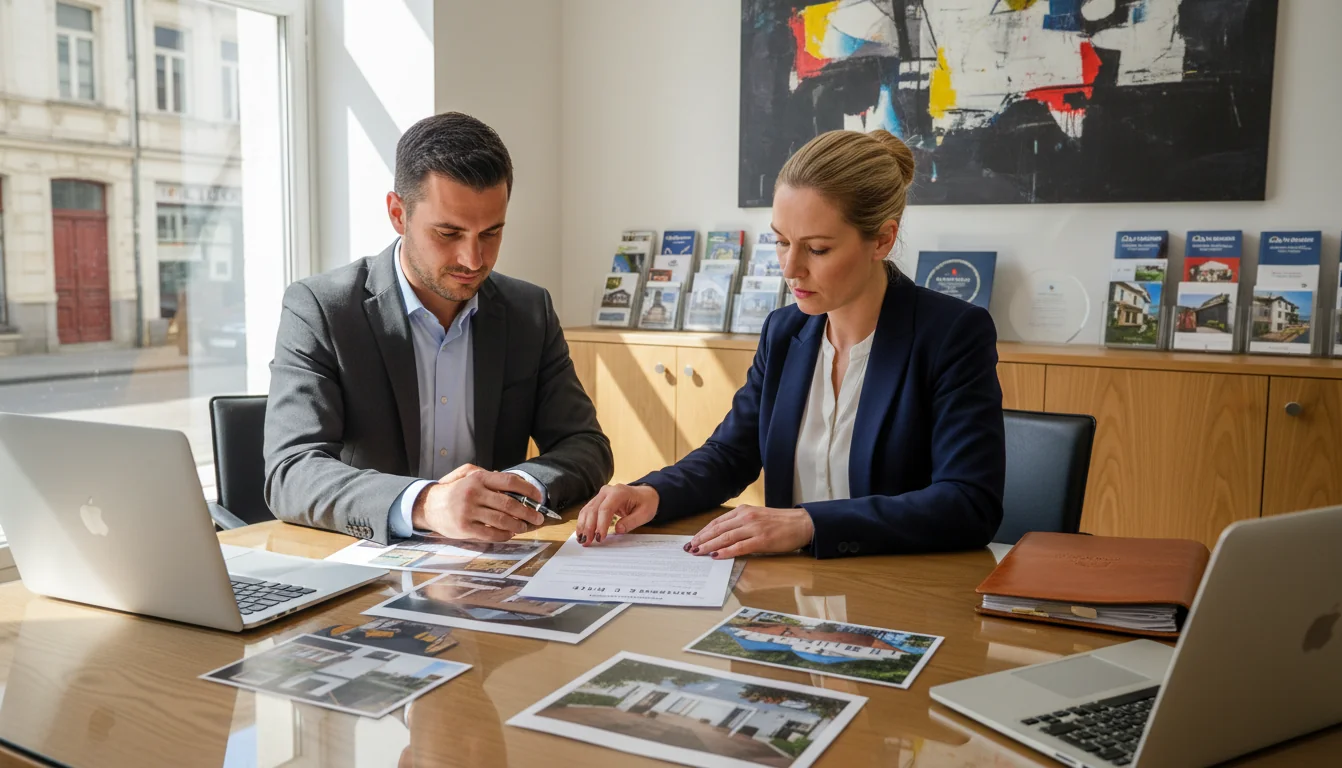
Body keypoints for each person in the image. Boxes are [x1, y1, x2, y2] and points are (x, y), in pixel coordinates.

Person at [576, 129, 1004, 558]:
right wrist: (652, 492)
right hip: (790, 584)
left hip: (897, 583)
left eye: (817, 249)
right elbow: (730, 454)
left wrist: (809, 523)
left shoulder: (952, 334)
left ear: (882, 240)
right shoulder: (784, 332)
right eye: (781, 242)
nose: (790, 268)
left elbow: (969, 503)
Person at [265, 112, 613, 545]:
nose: (473, 259)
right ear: (398, 213)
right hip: (365, 557)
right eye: (449, 233)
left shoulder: (529, 312)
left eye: (491, 233)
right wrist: (426, 504)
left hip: (490, 561)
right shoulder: (322, 309)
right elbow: (291, 471)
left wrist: (516, 491)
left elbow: (586, 445)